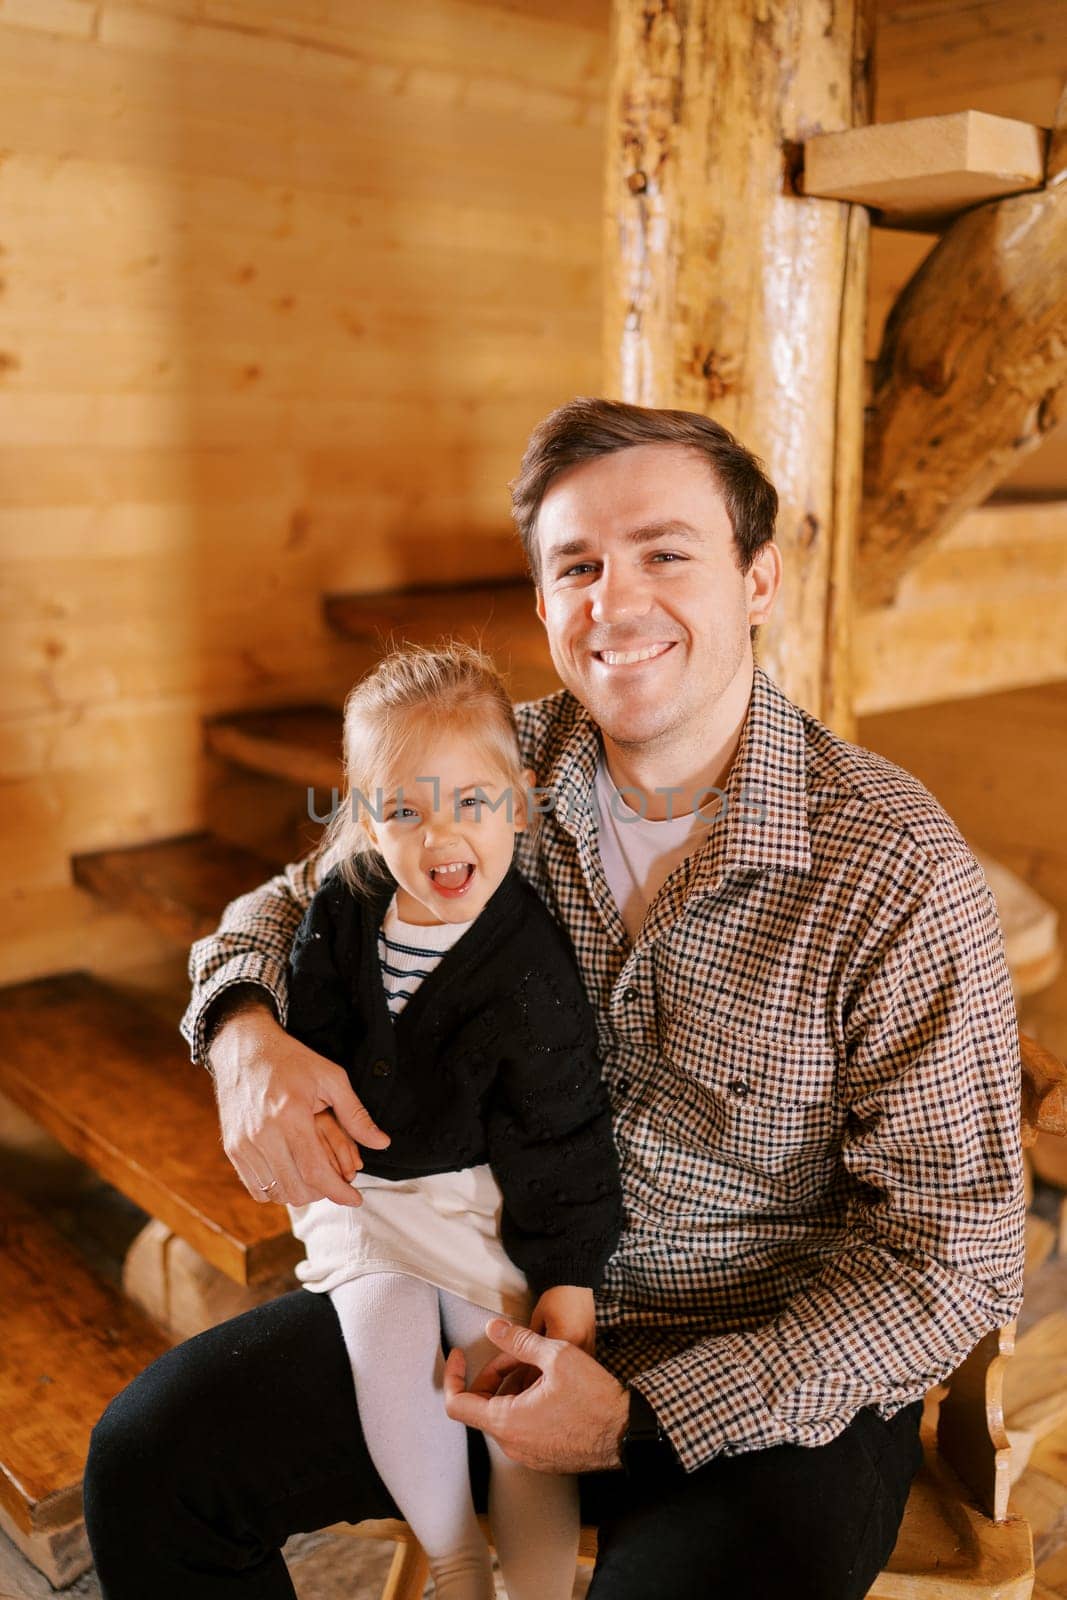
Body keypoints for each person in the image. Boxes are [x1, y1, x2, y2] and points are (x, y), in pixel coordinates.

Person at [84, 398, 1026, 1600]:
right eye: (577, 564)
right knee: (151, 1461)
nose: (615, 601)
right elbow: (283, 901)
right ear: (542, 606)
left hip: (758, 1371)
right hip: (480, 1291)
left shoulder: (892, 865)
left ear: (756, 581)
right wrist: (241, 1032)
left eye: (665, 554)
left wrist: (637, 1415)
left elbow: (950, 1259)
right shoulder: (484, 766)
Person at [279, 641, 621, 1600]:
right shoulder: (346, 911)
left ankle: (540, 1585)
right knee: (384, 1339)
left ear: (515, 799)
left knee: (506, 1381)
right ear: (364, 822)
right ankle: (458, 1563)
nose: (440, 839)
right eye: (404, 812)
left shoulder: (525, 967)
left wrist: (566, 1274)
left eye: (470, 804)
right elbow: (311, 1033)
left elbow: (561, 1133)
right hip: (370, 1197)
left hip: (478, 1206)